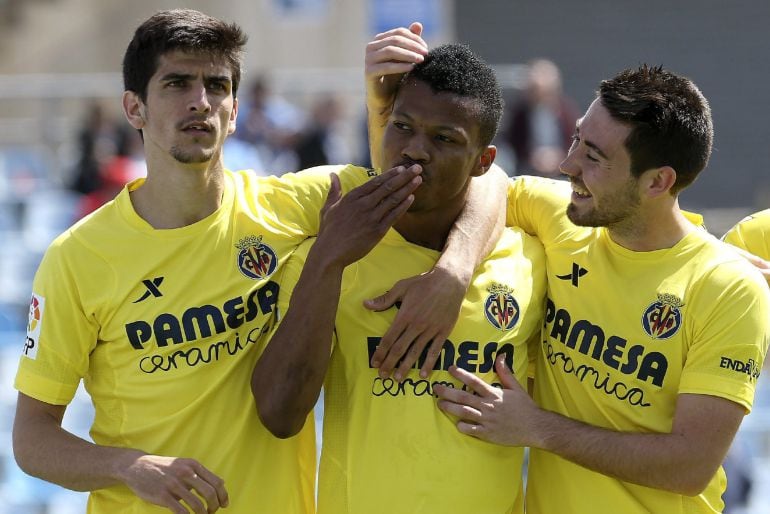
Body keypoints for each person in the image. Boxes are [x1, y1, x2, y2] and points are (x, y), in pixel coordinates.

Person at [11, 10, 502, 514]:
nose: (200, 101)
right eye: (177, 83)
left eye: (216, 85)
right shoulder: (78, 257)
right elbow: (31, 441)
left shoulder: (295, 204)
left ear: (235, 110)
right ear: (134, 109)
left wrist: (454, 270)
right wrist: (129, 466)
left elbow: (480, 176)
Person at [431, 65, 770, 513]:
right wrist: (452, 271)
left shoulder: (727, 288)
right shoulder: (562, 216)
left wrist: (538, 428)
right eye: (575, 139)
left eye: (593, 156)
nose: (567, 164)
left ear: (657, 182)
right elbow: (488, 182)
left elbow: (690, 467)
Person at [252, 31, 546, 513]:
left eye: (445, 139)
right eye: (403, 126)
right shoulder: (330, 244)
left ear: (483, 161)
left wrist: (455, 269)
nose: (415, 150)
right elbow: (279, 414)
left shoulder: (529, 261)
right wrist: (327, 261)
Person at [503, 58, 578, 178]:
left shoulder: (567, 112)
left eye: (543, 91)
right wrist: (532, 157)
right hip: (528, 170)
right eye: (533, 91)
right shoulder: (519, 113)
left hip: (561, 169)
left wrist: (559, 157)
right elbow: (512, 142)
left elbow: (574, 141)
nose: (538, 96)